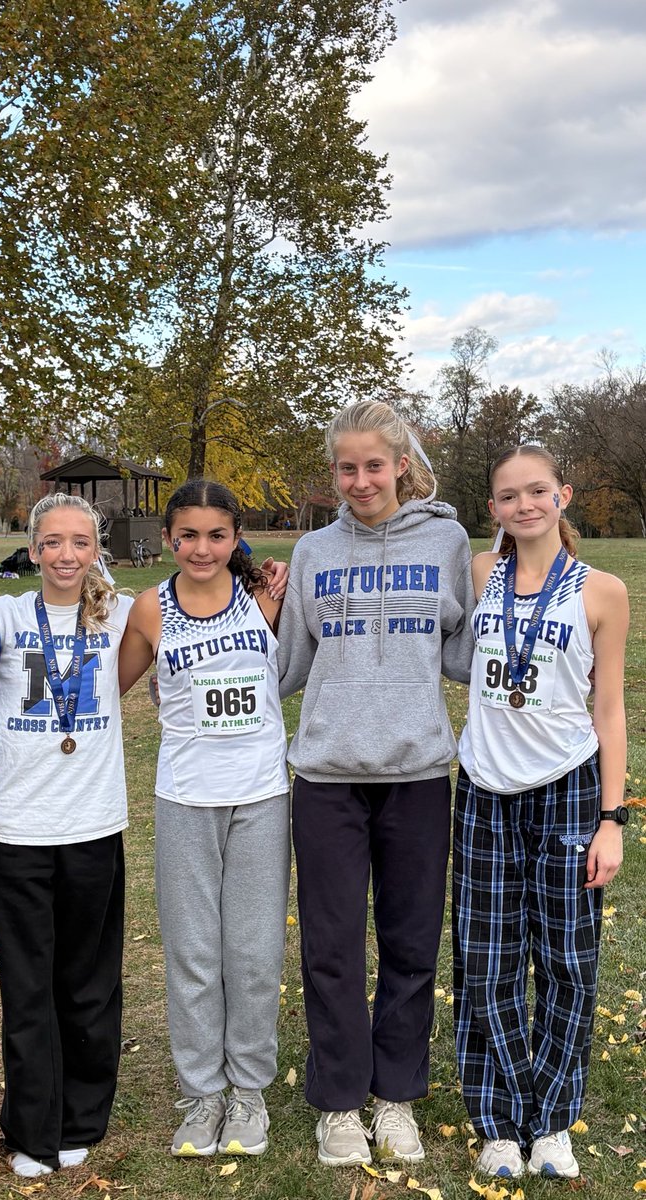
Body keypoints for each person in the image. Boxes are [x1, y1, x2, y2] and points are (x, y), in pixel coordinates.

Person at [0, 493, 290, 1178]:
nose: (66, 555)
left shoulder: (127, 611)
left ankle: (82, 1118)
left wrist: (256, 569)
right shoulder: (2, 614)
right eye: (51, 542)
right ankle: (31, 1125)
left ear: (97, 547)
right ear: (33, 547)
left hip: (96, 824)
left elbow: (203, 592)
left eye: (79, 542)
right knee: (28, 988)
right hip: (18, 830)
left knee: (89, 986)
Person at [276, 399, 475, 1168]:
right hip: (326, 776)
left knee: (411, 941)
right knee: (330, 947)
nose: (360, 480)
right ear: (333, 474)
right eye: (345, 467)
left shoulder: (448, 540)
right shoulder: (313, 553)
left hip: (419, 772)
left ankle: (395, 1098)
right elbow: (288, 665)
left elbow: (461, 657)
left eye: (373, 465)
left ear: (401, 465)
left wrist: (504, 590)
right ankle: (337, 1103)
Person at [453, 446, 628, 1181]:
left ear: (563, 495)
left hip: (567, 790)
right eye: (507, 495)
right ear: (492, 508)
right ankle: (497, 1119)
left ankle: (552, 1119)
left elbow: (610, 708)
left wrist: (613, 818)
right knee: (487, 963)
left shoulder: (602, 590)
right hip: (485, 792)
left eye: (537, 491)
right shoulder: (480, 574)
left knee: (564, 963)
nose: (524, 505)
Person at [118, 480, 291, 1159]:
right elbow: (106, 687)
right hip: (185, 800)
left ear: (235, 537)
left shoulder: (267, 598)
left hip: (261, 798)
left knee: (251, 954)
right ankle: (201, 1095)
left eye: (216, 535)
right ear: (168, 539)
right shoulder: (149, 609)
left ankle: (247, 1091)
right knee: (193, 956)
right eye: (187, 535)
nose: (201, 547)